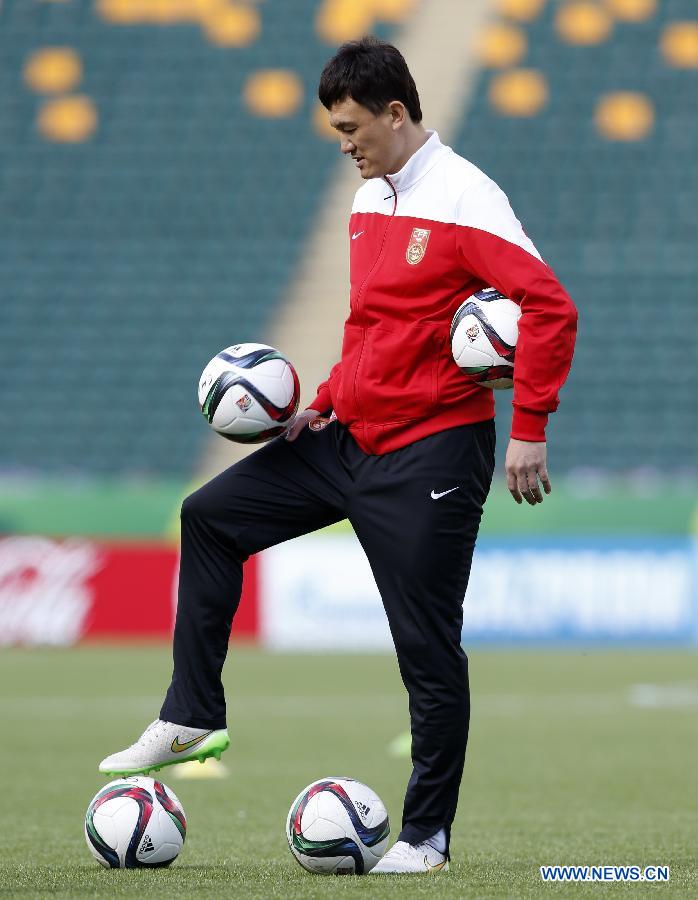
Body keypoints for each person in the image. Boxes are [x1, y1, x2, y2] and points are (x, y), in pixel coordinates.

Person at [99, 37, 577, 873]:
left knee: (427, 648)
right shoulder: (369, 200)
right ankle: (193, 713)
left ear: (398, 113)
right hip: (346, 437)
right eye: (336, 130)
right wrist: (323, 402)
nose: (345, 143)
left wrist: (530, 426)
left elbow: (551, 307)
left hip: (431, 453)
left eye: (353, 127)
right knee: (210, 517)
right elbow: (369, 329)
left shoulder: (467, 198)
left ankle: (426, 837)